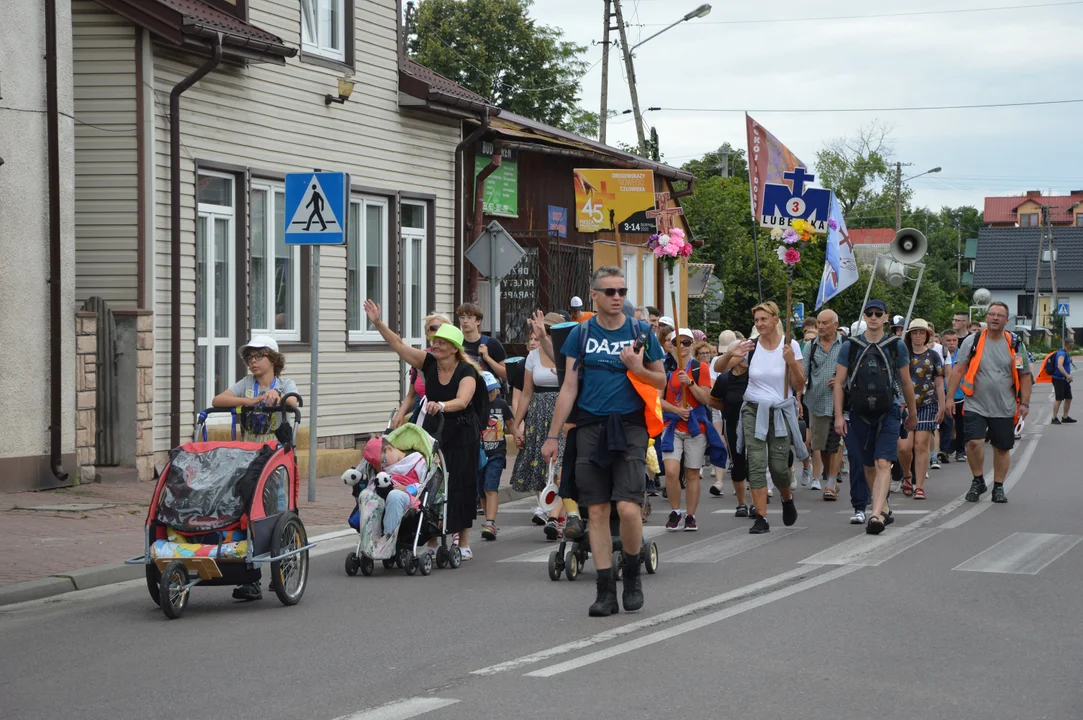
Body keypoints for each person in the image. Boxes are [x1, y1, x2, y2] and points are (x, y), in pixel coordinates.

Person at [542, 266, 665, 617]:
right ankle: (605, 588)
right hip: (591, 427)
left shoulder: (640, 331)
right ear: (594, 295)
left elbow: (661, 381)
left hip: (629, 427)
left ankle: (632, 573)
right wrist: (553, 434)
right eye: (609, 292)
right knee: (595, 510)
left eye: (622, 291)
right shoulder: (581, 335)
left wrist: (636, 368)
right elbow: (568, 387)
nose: (617, 298)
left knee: (627, 507)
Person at [365, 300, 484, 559]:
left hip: (462, 433)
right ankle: (431, 536)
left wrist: (442, 404)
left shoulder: (466, 371)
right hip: (434, 430)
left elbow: (463, 401)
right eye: (434, 340)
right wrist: (377, 322)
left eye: (441, 342)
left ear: (454, 347)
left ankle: (462, 541)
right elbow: (398, 345)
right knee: (430, 482)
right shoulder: (428, 363)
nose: (435, 345)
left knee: (460, 485)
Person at [212, 335, 301, 602]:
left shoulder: (285, 383)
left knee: (277, 510)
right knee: (245, 512)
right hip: (249, 456)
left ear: (272, 359)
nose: (252, 362)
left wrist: (278, 397)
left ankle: (282, 569)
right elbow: (219, 400)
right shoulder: (246, 385)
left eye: (257, 357)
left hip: (275, 458)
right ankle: (250, 579)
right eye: (249, 358)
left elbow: (293, 403)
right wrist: (252, 401)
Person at [719, 301, 806, 534]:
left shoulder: (791, 346)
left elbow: (799, 384)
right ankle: (761, 517)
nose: (759, 324)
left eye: (763, 319)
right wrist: (730, 353)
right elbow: (718, 368)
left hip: (778, 411)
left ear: (776, 320)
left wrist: (791, 363)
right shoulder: (751, 346)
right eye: (756, 320)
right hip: (753, 410)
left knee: (778, 467)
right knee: (756, 463)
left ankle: (786, 499)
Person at [834, 300, 918, 533]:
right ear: (864, 316)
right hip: (859, 412)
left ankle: (876, 515)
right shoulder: (850, 346)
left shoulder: (896, 346)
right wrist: (839, 416)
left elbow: (905, 381)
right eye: (869, 313)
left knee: (883, 462)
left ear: (885, 317)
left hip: (888, 410)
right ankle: (884, 508)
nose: (873, 317)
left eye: (877, 313)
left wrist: (912, 413)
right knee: (868, 464)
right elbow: (839, 384)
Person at [946, 301, 1032, 504]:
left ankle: (999, 487)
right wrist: (950, 397)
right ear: (986, 317)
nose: (995, 318)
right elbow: (958, 370)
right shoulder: (972, 341)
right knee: (974, 443)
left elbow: (1025, 375)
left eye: (999, 315)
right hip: (976, 403)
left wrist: (1025, 403)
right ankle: (978, 480)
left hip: (1004, 405)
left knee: (1001, 448)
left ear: (1006, 320)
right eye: (991, 314)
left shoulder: (1015, 344)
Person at [511, 312, 568, 537]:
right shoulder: (533, 356)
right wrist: (516, 425)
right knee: (540, 466)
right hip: (537, 414)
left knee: (562, 467)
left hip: (562, 413)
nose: (546, 333)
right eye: (545, 329)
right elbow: (526, 393)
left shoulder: (565, 355)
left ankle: (556, 517)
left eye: (552, 330)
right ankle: (552, 512)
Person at [661, 330, 716, 532]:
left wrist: (690, 383)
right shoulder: (665, 370)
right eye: (677, 342)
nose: (682, 346)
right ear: (671, 346)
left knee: (692, 473)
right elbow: (658, 400)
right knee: (671, 471)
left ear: (692, 345)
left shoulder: (700, 368)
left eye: (686, 342)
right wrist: (676, 410)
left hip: (695, 428)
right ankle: (676, 511)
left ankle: (691, 515)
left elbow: (706, 399)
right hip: (672, 427)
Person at [896, 319, 944, 500]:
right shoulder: (902, 355)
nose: (918, 336)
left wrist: (941, 406)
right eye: (915, 332)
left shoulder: (933, 356)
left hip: (927, 404)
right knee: (904, 447)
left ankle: (920, 486)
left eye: (921, 333)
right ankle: (907, 475)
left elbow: (939, 384)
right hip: (904, 405)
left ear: (926, 335)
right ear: (909, 335)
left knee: (921, 445)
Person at [803, 310, 845, 501]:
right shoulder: (810, 347)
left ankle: (830, 484)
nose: (820, 327)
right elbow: (802, 375)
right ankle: (831, 479)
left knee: (836, 444)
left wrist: (841, 379)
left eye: (825, 323)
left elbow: (854, 368)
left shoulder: (846, 345)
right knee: (822, 447)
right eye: (818, 323)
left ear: (835, 325)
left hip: (842, 403)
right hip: (817, 401)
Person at [709, 341, 752, 516]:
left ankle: (757, 502)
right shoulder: (724, 378)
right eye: (738, 355)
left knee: (755, 463)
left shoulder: (754, 376)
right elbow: (712, 400)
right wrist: (726, 409)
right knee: (738, 463)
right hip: (732, 424)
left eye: (745, 355)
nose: (743, 358)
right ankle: (742, 503)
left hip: (754, 425)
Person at [392, 313, 451, 429]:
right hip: (422, 420)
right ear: (427, 334)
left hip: (449, 420)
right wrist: (400, 415)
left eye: (442, 328)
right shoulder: (421, 359)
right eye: (433, 328)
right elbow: (411, 396)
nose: (437, 331)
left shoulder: (459, 358)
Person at [478, 372, 513, 541]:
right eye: (486, 392)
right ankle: (488, 521)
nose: (490, 395)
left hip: (497, 453)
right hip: (479, 454)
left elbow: (510, 423)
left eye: (492, 391)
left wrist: (518, 436)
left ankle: (491, 522)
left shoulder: (502, 405)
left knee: (490, 487)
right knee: (482, 491)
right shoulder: (476, 406)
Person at [457, 302, 508, 381]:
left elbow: (506, 374)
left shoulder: (492, 344)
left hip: (488, 390)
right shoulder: (456, 344)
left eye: (469, 317)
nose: (465, 321)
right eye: (462, 317)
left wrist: (487, 358)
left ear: (478, 321)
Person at [943, 330, 967, 462]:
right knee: (946, 424)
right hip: (945, 395)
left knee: (960, 425)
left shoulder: (962, 355)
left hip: (961, 395)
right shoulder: (941, 354)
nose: (951, 343)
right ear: (943, 341)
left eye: (954, 340)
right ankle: (945, 450)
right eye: (948, 341)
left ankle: (960, 451)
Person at [1051, 336, 1075, 424]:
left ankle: (1065, 417)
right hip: (1058, 379)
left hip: (1064, 379)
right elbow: (1059, 365)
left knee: (1068, 398)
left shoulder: (1066, 352)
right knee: (1059, 398)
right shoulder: (1061, 353)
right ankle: (1054, 418)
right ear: (1070, 345)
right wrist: (1067, 375)